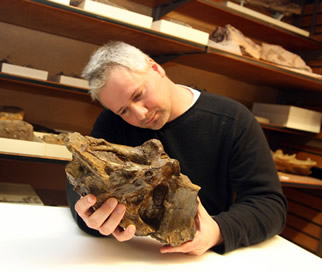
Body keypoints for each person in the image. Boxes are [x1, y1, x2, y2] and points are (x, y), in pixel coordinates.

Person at [66, 41, 287, 255]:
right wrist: (90, 216)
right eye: (124, 110)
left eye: (139, 95)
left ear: (156, 68)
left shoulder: (233, 120)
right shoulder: (113, 123)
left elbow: (269, 205)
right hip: (133, 257)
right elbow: (80, 178)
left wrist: (218, 232)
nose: (139, 114)